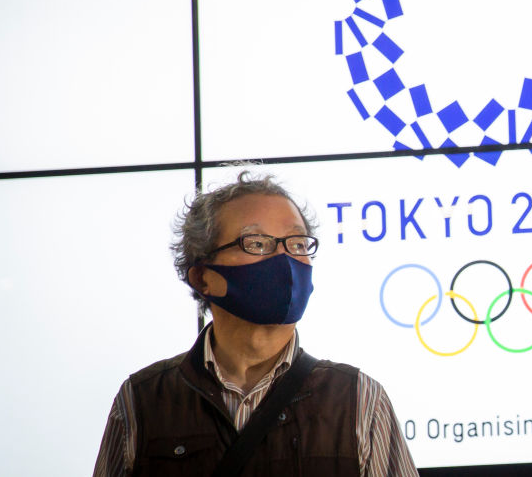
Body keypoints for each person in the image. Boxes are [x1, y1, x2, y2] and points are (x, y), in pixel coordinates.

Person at [94, 171, 417, 476]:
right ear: (202, 277)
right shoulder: (142, 401)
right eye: (258, 243)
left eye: (298, 243)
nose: (285, 259)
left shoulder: (358, 399)